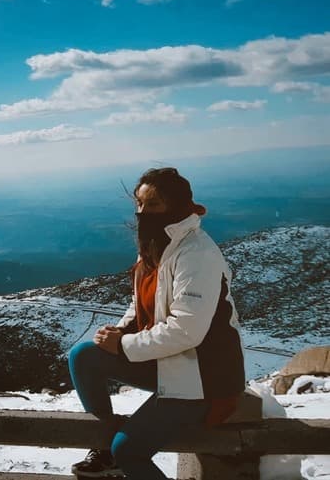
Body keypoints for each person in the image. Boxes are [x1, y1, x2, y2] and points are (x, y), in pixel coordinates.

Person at [68, 167, 246, 479]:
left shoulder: (196, 253)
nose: (142, 212)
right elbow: (142, 304)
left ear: (176, 207)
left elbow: (186, 330)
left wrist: (123, 345)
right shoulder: (156, 246)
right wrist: (121, 331)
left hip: (203, 379)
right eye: (139, 204)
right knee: (84, 356)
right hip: (170, 363)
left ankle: (117, 451)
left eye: (153, 205)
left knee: (130, 452)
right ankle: (106, 447)